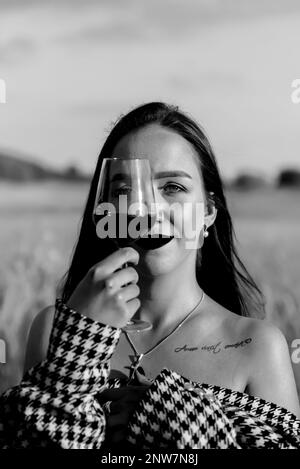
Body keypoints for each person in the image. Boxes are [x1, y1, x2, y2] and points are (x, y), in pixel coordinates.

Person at [2, 102, 300, 449]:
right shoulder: (57, 329)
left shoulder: (256, 346)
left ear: (208, 212)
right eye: (124, 190)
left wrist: (174, 419)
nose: (146, 208)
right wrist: (82, 343)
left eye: (172, 187)